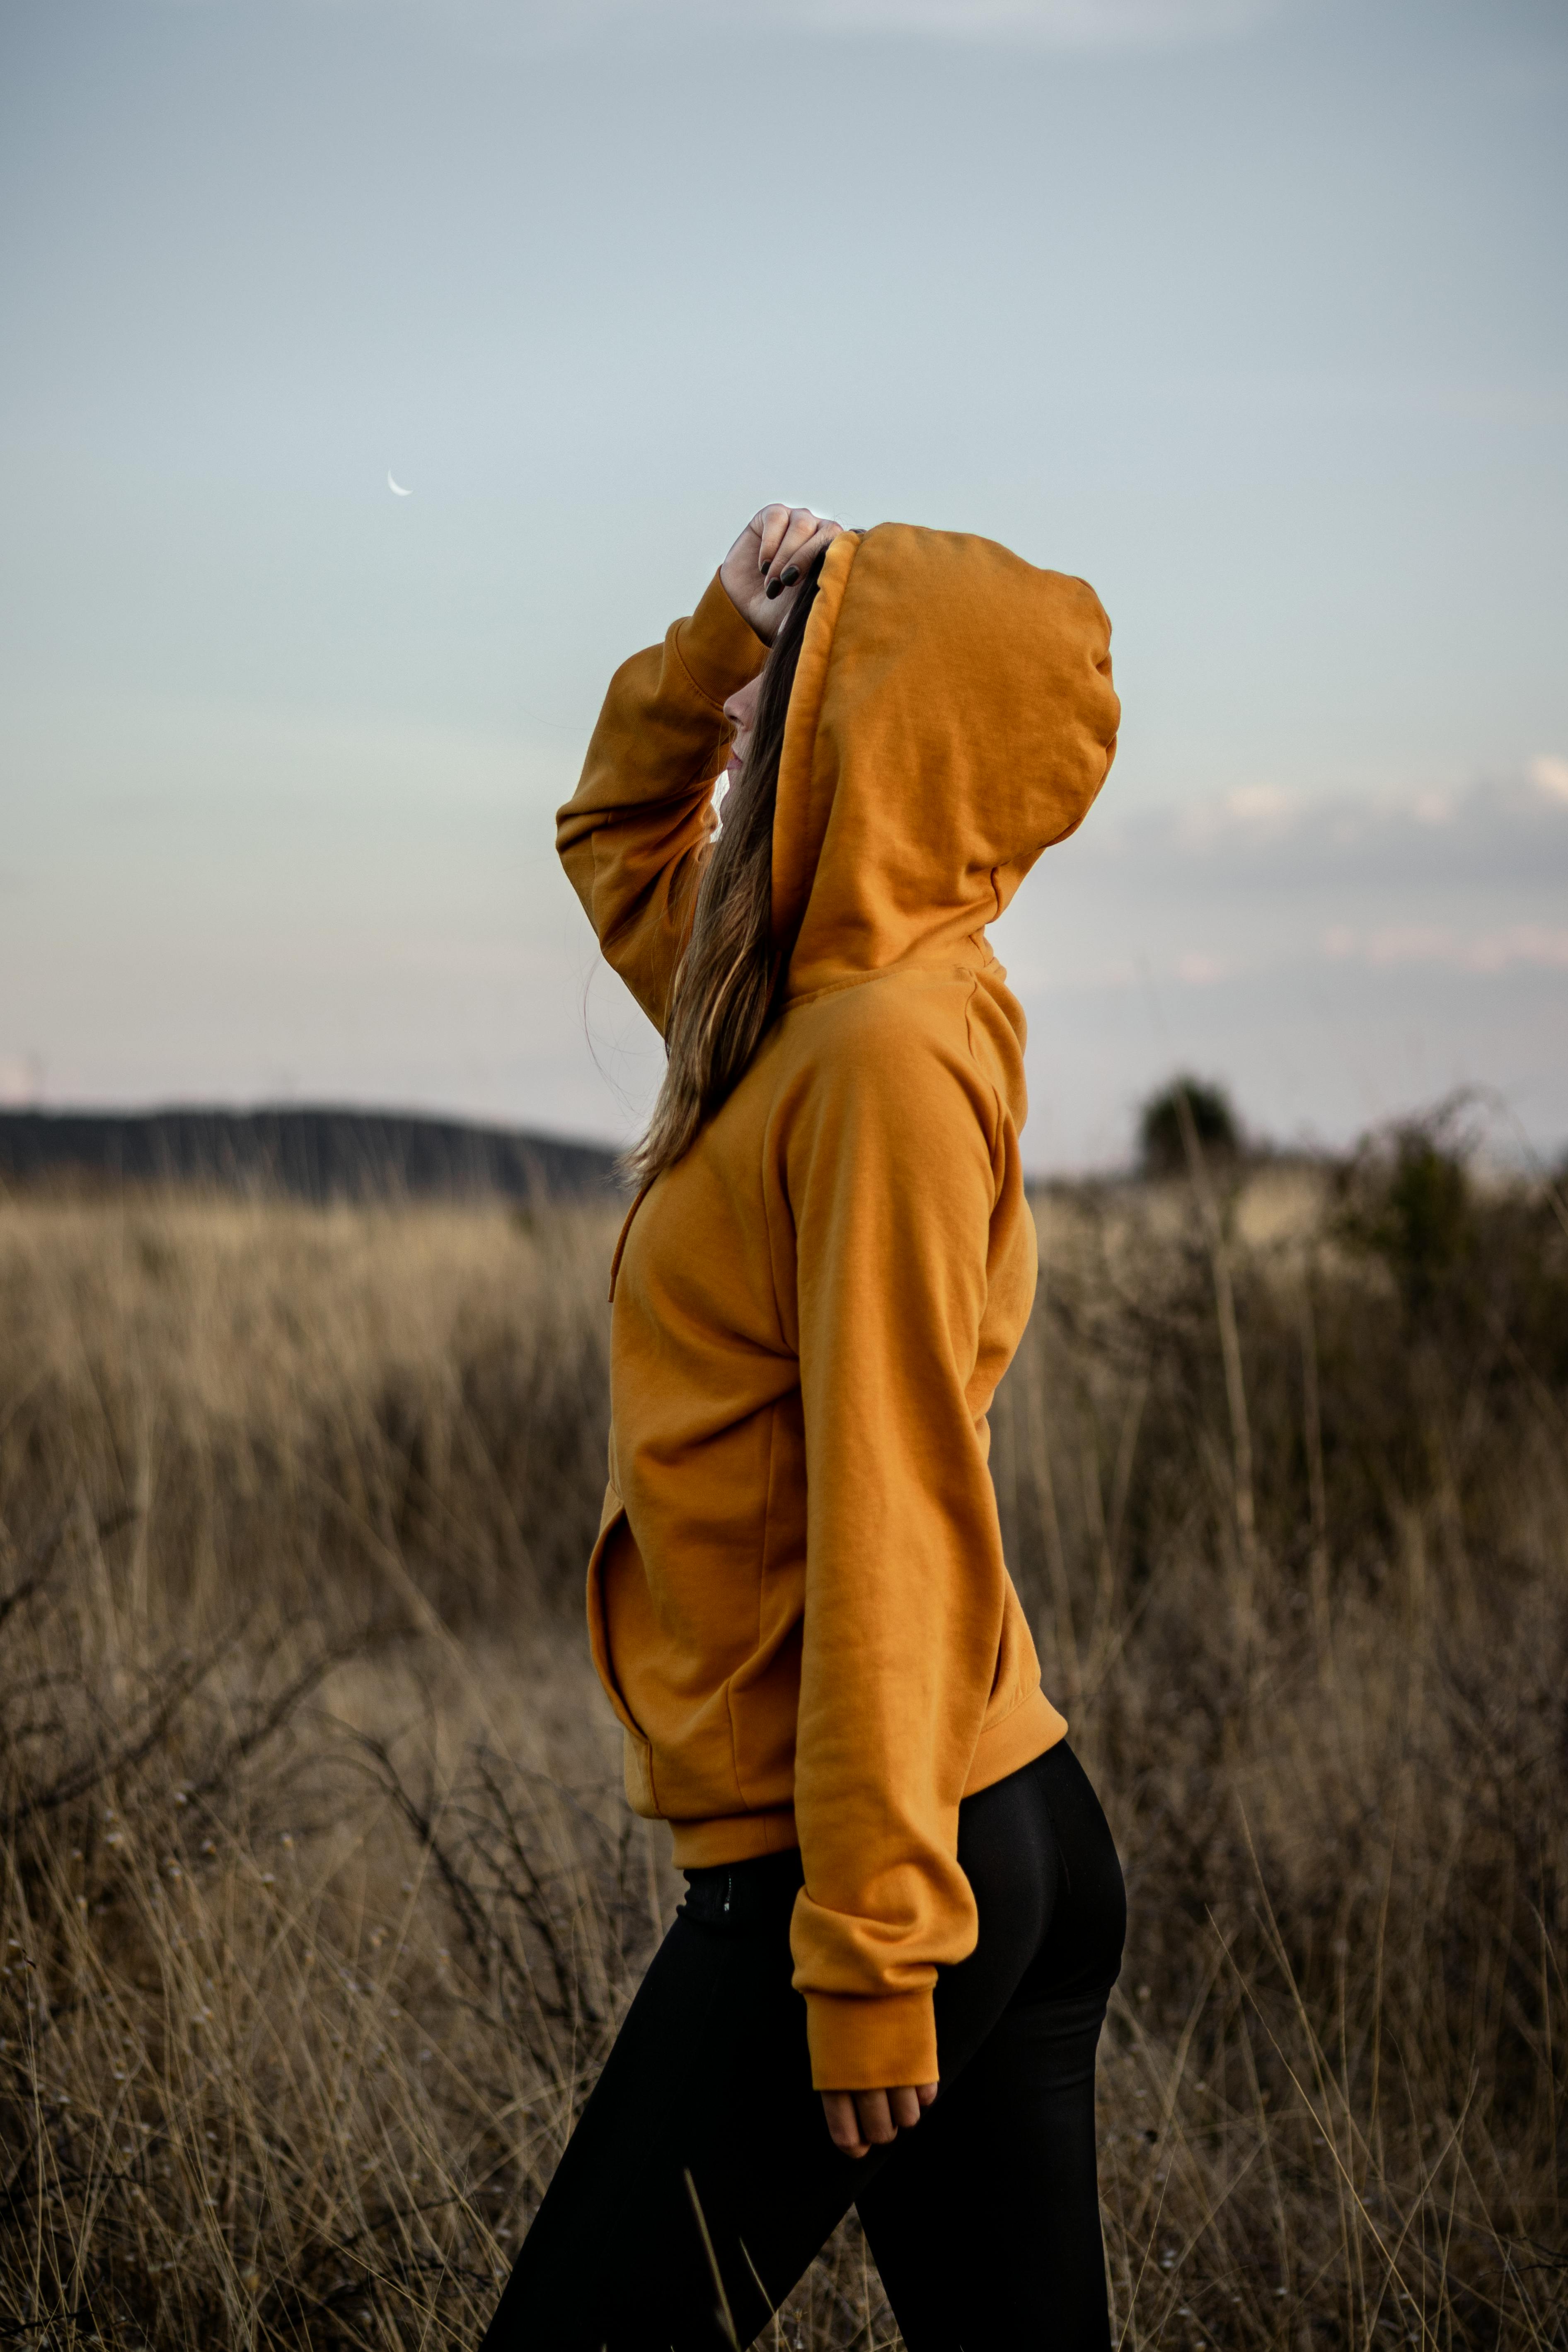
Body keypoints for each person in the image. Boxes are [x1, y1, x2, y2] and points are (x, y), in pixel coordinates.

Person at [478, 506, 1126, 2350]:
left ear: (884, 736)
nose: (751, 714)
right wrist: (720, 629)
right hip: (965, 1817)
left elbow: (895, 1513)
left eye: (801, 679)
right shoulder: (785, 994)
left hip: (877, 1860)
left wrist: (866, 1951)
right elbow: (614, 831)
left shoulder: (879, 1060)